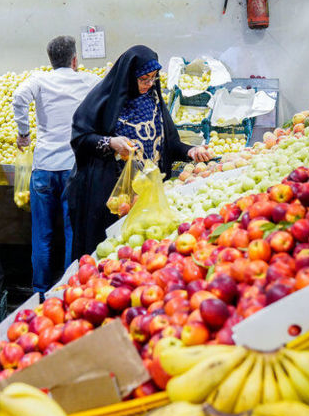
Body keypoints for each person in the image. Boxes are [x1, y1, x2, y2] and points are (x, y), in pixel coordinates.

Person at [69, 45, 211, 257]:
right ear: (129, 76)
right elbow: (81, 137)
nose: (149, 84)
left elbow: (169, 142)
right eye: (144, 78)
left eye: (153, 78)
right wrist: (111, 142)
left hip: (146, 195)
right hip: (111, 197)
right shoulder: (105, 100)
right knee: (109, 251)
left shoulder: (153, 100)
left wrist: (191, 151)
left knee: (142, 252)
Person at [12, 36, 100, 294]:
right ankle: (67, 289)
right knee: (73, 232)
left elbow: (18, 97)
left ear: (50, 60)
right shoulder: (89, 81)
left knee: (42, 235)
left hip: (44, 168)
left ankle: (40, 291)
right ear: (75, 59)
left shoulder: (39, 80)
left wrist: (23, 133)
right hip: (74, 167)